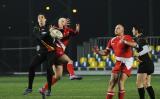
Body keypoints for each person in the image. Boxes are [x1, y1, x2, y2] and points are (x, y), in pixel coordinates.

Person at [39, 18, 82, 95]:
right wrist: (51, 30)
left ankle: (43, 89)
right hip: (56, 52)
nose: (63, 22)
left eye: (64, 21)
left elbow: (75, 33)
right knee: (69, 61)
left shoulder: (68, 30)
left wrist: (77, 30)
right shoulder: (56, 30)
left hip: (58, 55)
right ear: (58, 23)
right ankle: (72, 75)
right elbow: (54, 35)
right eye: (61, 21)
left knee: (57, 77)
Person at [94, 24, 136, 99]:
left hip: (127, 62)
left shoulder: (127, 37)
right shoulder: (112, 40)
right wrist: (98, 52)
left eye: (118, 28)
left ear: (122, 30)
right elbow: (106, 53)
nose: (116, 29)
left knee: (120, 82)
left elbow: (134, 44)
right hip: (118, 62)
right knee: (111, 82)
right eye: (115, 28)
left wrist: (126, 42)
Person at [23, 13, 56, 95]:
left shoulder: (50, 27)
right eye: (39, 18)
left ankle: (49, 90)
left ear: (45, 19)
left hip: (51, 51)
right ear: (37, 20)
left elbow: (58, 35)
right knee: (31, 66)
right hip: (42, 51)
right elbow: (40, 37)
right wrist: (49, 32)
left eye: (42, 18)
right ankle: (29, 88)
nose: (40, 19)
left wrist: (55, 33)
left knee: (48, 68)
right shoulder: (35, 28)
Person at [131, 26, 155, 99]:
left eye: (133, 29)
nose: (132, 31)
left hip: (144, 64)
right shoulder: (140, 38)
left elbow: (147, 49)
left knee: (139, 84)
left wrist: (137, 55)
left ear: (136, 30)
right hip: (148, 63)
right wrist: (137, 56)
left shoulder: (140, 38)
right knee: (147, 84)